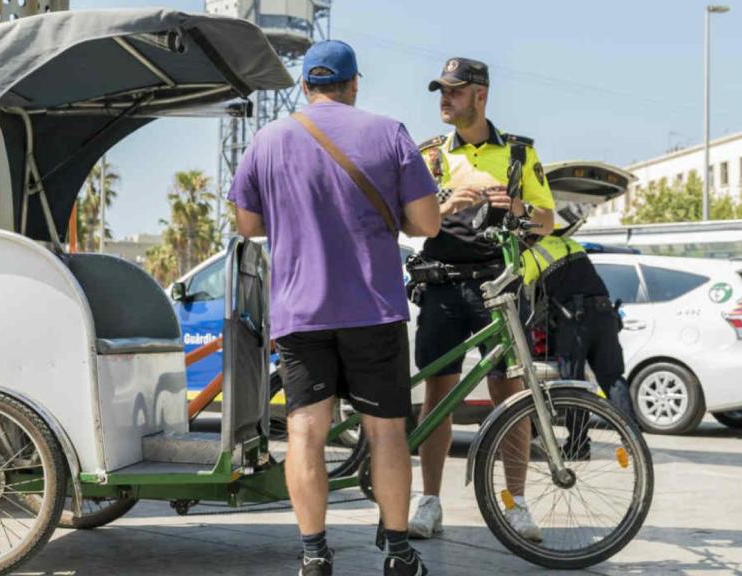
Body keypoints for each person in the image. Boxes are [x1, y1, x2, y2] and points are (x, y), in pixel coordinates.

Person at [229, 40, 440, 576]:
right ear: (354, 84)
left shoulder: (268, 140)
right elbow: (427, 223)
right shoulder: (389, 133)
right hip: (373, 308)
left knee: (305, 432)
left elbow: (247, 225)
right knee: (387, 431)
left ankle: (314, 555)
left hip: (301, 312)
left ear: (305, 85)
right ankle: (398, 554)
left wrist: (297, 216)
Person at [408, 57, 555, 541]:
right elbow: (408, 220)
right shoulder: (429, 155)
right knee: (438, 397)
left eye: (453, 90)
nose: (444, 99)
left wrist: (514, 206)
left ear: (480, 95)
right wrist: (445, 205)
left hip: (498, 285)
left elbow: (546, 221)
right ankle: (429, 501)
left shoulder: (519, 153)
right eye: (441, 91)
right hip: (441, 285)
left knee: (510, 396)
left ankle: (516, 504)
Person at [519, 226, 639, 461]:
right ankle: (633, 440)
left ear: (527, 237)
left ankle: (578, 446)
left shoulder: (531, 253)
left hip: (576, 320)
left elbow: (521, 290)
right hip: (605, 314)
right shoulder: (571, 243)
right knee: (612, 378)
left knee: (572, 384)